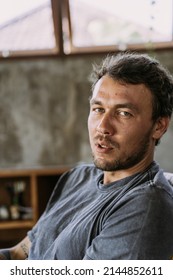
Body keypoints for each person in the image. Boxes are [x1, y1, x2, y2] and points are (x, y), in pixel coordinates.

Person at [1, 51, 173, 260]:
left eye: (123, 113)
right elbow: (22, 253)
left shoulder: (145, 208)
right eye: (98, 109)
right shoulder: (77, 178)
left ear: (159, 126)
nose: (103, 127)